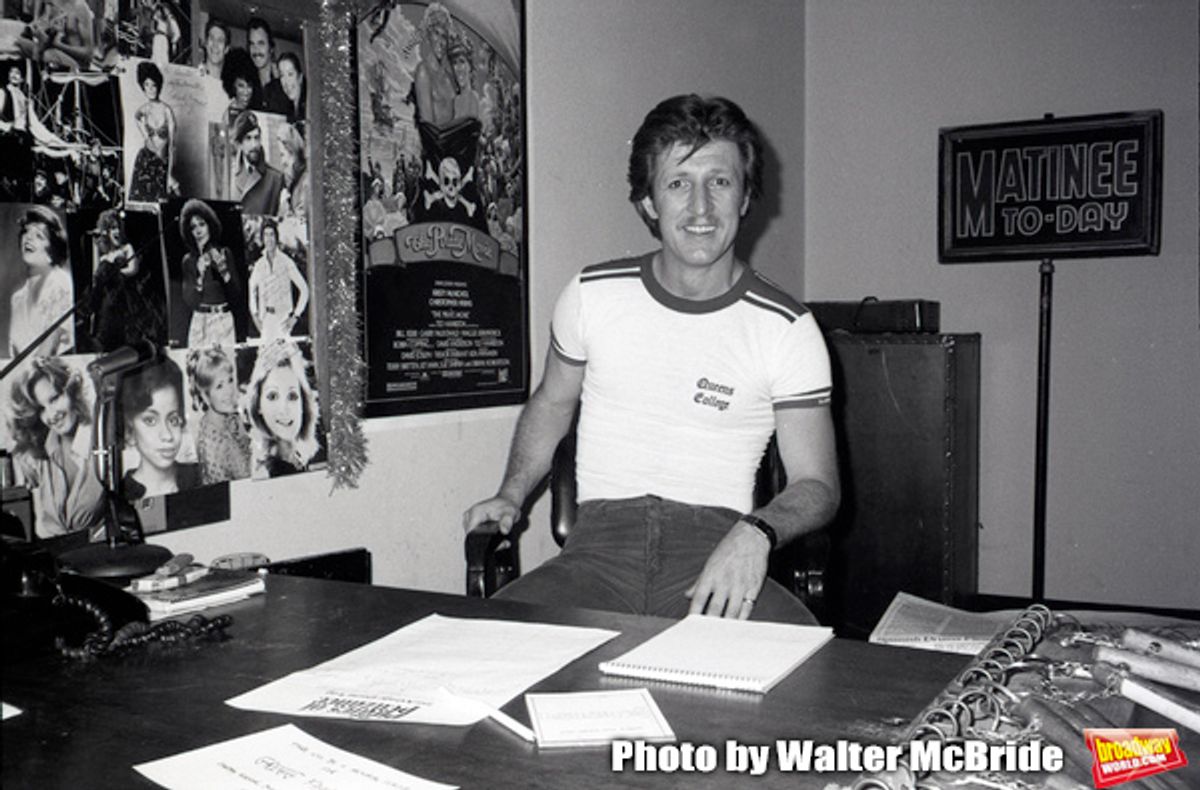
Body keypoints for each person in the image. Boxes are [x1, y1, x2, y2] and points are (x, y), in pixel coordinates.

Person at [462, 95, 840, 625]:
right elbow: (552, 402)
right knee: (485, 652)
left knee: (803, 677)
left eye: (721, 182)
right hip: (594, 558)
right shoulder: (592, 294)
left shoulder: (787, 329)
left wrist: (757, 532)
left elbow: (817, 483)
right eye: (678, 184)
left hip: (716, 558)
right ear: (648, 203)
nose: (701, 208)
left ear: (747, 196)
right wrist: (510, 493)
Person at [6, 356, 104, 538]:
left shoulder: (102, 440)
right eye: (41, 409)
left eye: (54, 399)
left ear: (72, 391)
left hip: (103, 561)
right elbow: (43, 530)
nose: (51, 415)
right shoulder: (42, 453)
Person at [120, 355, 197, 499]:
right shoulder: (121, 496)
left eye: (173, 420)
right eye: (150, 420)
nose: (167, 435)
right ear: (130, 426)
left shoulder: (201, 476)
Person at [86, 208, 164, 351]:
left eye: (117, 227)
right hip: (108, 302)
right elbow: (96, 275)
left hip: (127, 299)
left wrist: (115, 272)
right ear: (106, 232)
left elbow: (133, 270)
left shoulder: (127, 247)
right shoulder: (102, 252)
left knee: (130, 339)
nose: (115, 232)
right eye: (111, 228)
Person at [241, 338, 320, 478]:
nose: (284, 409)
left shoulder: (299, 458)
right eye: (272, 396)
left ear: (303, 403)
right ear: (258, 406)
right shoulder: (266, 472)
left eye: (292, 396)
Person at [7, 205, 74, 359]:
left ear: (52, 249)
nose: (28, 238)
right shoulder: (17, 299)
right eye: (26, 231)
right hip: (24, 379)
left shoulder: (61, 283)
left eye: (39, 235)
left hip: (56, 377)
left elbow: (48, 350)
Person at [178, 198, 242, 347]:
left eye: (202, 224)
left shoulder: (224, 253)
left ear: (210, 226)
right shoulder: (188, 260)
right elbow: (189, 301)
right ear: (190, 232)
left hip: (223, 319)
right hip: (201, 320)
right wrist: (199, 276)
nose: (198, 230)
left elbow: (237, 294)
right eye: (193, 227)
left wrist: (224, 271)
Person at [186, 345, 251, 484]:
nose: (229, 391)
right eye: (219, 386)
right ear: (205, 395)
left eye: (230, 380)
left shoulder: (231, 415)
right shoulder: (212, 444)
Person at [247, 218, 308, 340]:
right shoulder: (259, 264)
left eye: (271, 235)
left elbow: (305, 290)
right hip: (265, 320)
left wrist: (295, 317)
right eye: (265, 235)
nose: (269, 239)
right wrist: (255, 316)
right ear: (262, 238)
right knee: (267, 356)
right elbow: (251, 289)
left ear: (276, 237)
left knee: (284, 357)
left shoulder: (286, 262)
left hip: (283, 320)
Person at [127, 60, 177, 203]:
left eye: (153, 85)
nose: (150, 89)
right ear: (142, 87)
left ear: (158, 86)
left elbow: (172, 146)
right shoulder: (141, 112)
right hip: (145, 161)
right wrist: (145, 133)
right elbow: (146, 138)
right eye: (146, 85)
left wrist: (169, 174)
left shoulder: (167, 111)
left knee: (161, 203)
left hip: (162, 162)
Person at [14, 0, 95, 70]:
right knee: (19, 43)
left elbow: (88, 54)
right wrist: (37, 32)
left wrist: (58, 45)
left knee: (49, 54)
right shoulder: (53, 4)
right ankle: (28, 81)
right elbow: (46, 37)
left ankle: (40, 80)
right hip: (54, 53)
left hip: (76, 64)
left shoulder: (80, 7)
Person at [231, 110, 283, 216]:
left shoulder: (276, 179)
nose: (254, 145)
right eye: (248, 138)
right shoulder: (228, 175)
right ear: (239, 144)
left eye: (257, 138)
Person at [220, 48, 261, 126]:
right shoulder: (227, 115)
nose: (246, 92)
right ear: (233, 85)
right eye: (241, 86)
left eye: (249, 86)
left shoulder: (256, 111)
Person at [277, 122, 308, 218]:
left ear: (294, 152)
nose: (283, 162)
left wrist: (284, 211)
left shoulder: (306, 183)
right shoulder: (296, 182)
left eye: (283, 154)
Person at [265, 51, 305, 125]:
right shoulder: (286, 109)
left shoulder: (309, 109)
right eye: (282, 75)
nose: (286, 82)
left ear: (300, 77)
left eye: (290, 74)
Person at [246, 16, 276, 106]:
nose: (256, 50)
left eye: (261, 43)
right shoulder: (248, 83)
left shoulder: (284, 80)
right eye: (252, 44)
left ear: (271, 48)